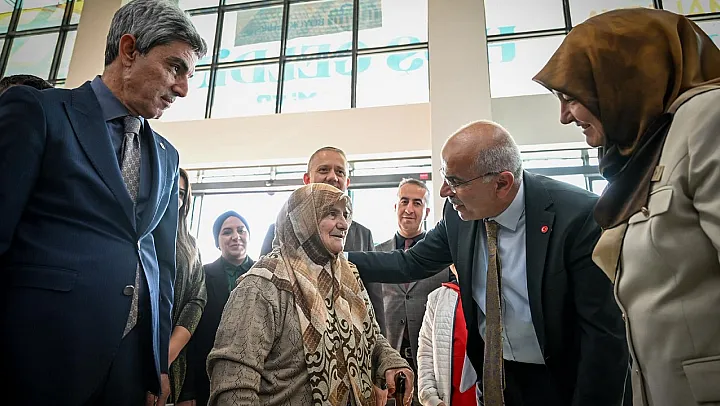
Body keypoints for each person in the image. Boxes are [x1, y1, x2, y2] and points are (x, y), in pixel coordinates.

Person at [0, 0, 206, 403]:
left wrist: (157, 365)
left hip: (127, 370)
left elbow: (160, 266)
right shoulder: (38, 111)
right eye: (175, 68)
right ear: (129, 51)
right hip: (36, 355)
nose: (183, 89)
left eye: (189, 76)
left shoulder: (168, 156)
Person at [347, 120, 629, 406]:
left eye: (455, 182)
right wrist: (339, 258)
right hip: (495, 378)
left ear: (502, 183)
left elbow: (603, 334)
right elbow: (410, 263)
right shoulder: (459, 215)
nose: (444, 191)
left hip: (562, 380)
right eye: (445, 177)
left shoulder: (578, 216)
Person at [533, 8, 720, 406]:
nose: (564, 117)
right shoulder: (651, 147)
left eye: (570, 97)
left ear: (620, 77)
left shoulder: (708, 118)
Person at [208, 183, 414, 406]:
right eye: (331, 214)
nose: (344, 224)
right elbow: (233, 384)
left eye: (345, 215)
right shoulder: (262, 285)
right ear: (302, 219)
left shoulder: (347, 276)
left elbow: (370, 335)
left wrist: (391, 362)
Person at [260, 146, 383, 328]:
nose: (333, 177)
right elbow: (266, 288)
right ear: (307, 179)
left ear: (347, 182)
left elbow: (373, 300)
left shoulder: (363, 235)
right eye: (324, 170)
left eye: (340, 172)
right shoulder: (279, 230)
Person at [375, 178, 451, 405]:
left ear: (426, 211)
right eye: (404, 201)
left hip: (431, 363)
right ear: (395, 207)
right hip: (388, 363)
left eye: (417, 203)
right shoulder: (376, 255)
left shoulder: (443, 255)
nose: (409, 209)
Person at [187, 210, 255, 406]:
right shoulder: (202, 274)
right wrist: (187, 390)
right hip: (207, 376)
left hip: (254, 376)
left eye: (241, 230)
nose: (235, 236)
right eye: (227, 232)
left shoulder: (264, 272)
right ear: (217, 242)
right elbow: (192, 334)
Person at [169, 168, 207, 404]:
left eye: (182, 194)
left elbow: (196, 301)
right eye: (172, 189)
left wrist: (165, 359)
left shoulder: (190, 246)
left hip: (173, 358)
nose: (176, 198)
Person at [417, 265, 476, 406]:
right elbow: (426, 351)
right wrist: (430, 397)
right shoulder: (437, 298)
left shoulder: (500, 296)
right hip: (450, 400)